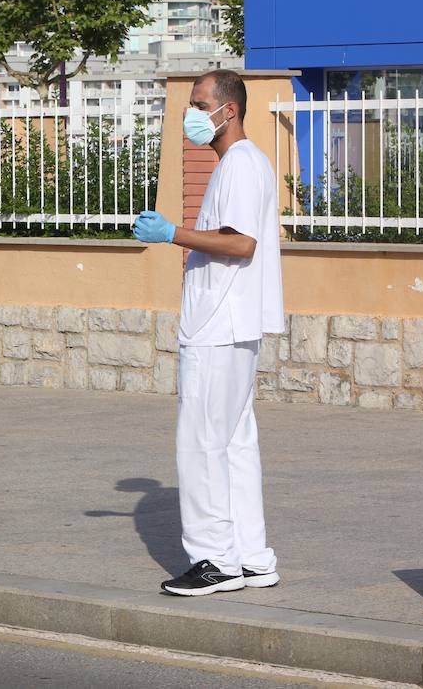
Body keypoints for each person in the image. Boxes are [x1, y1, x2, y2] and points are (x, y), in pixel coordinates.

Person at [133, 69, 284, 597]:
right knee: (234, 442)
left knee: (199, 443)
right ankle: (250, 555)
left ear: (229, 110)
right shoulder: (240, 164)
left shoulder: (240, 164)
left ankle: (214, 560)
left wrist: (172, 233)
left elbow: (241, 244)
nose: (190, 115)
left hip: (219, 325)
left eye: (199, 104)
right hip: (231, 322)